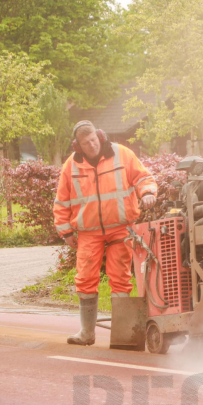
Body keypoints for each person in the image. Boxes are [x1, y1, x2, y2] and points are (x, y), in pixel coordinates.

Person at [53, 121, 158, 345]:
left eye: (93, 140)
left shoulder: (122, 154)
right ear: (78, 146)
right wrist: (66, 231)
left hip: (121, 228)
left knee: (120, 278)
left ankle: (122, 335)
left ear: (100, 136)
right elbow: (62, 201)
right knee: (85, 279)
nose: (92, 145)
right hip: (88, 233)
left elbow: (143, 178)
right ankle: (87, 333)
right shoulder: (70, 167)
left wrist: (147, 192)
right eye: (85, 143)